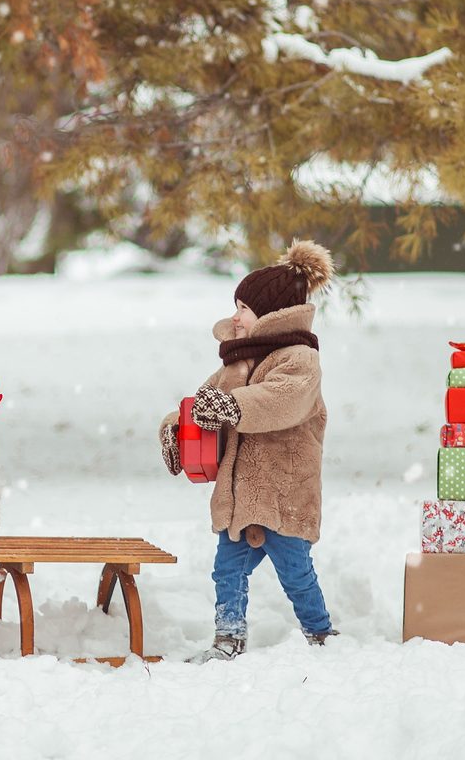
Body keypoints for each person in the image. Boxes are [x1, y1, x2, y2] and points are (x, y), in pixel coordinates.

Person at [158, 239, 340, 662]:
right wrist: (176, 431)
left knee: (295, 573)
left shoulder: (300, 360)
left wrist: (232, 406)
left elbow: (282, 400)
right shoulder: (236, 364)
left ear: (271, 314)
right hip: (240, 499)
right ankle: (229, 637)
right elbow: (202, 402)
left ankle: (320, 634)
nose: (235, 316)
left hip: (284, 495)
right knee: (227, 570)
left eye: (243, 307)